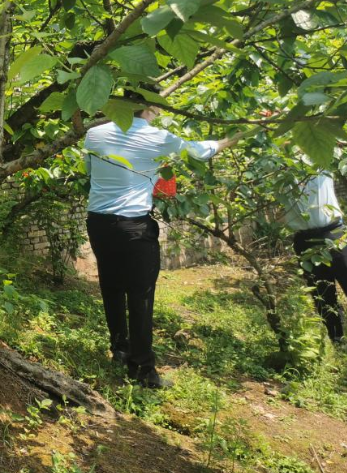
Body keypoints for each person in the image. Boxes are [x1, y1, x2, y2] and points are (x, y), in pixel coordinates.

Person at [83, 93, 243, 388]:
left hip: (98, 223)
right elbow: (196, 151)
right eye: (157, 107)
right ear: (151, 107)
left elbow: (90, 174)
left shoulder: (94, 134)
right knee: (141, 294)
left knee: (111, 284)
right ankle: (143, 370)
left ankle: (120, 349)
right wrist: (229, 140)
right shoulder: (156, 136)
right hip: (133, 226)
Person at [285, 170, 347, 348]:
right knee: (323, 297)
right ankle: (340, 347)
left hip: (335, 234)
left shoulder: (318, 162)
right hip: (305, 240)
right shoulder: (276, 168)